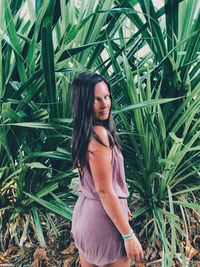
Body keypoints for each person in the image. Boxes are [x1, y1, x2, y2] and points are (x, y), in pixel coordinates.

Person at [70, 72, 144, 267]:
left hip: (86, 215)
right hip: (103, 223)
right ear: (84, 102)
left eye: (107, 97)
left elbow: (96, 183)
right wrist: (128, 235)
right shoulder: (100, 135)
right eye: (96, 99)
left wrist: (120, 205)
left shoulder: (83, 132)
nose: (105, 105)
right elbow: (104, 190)